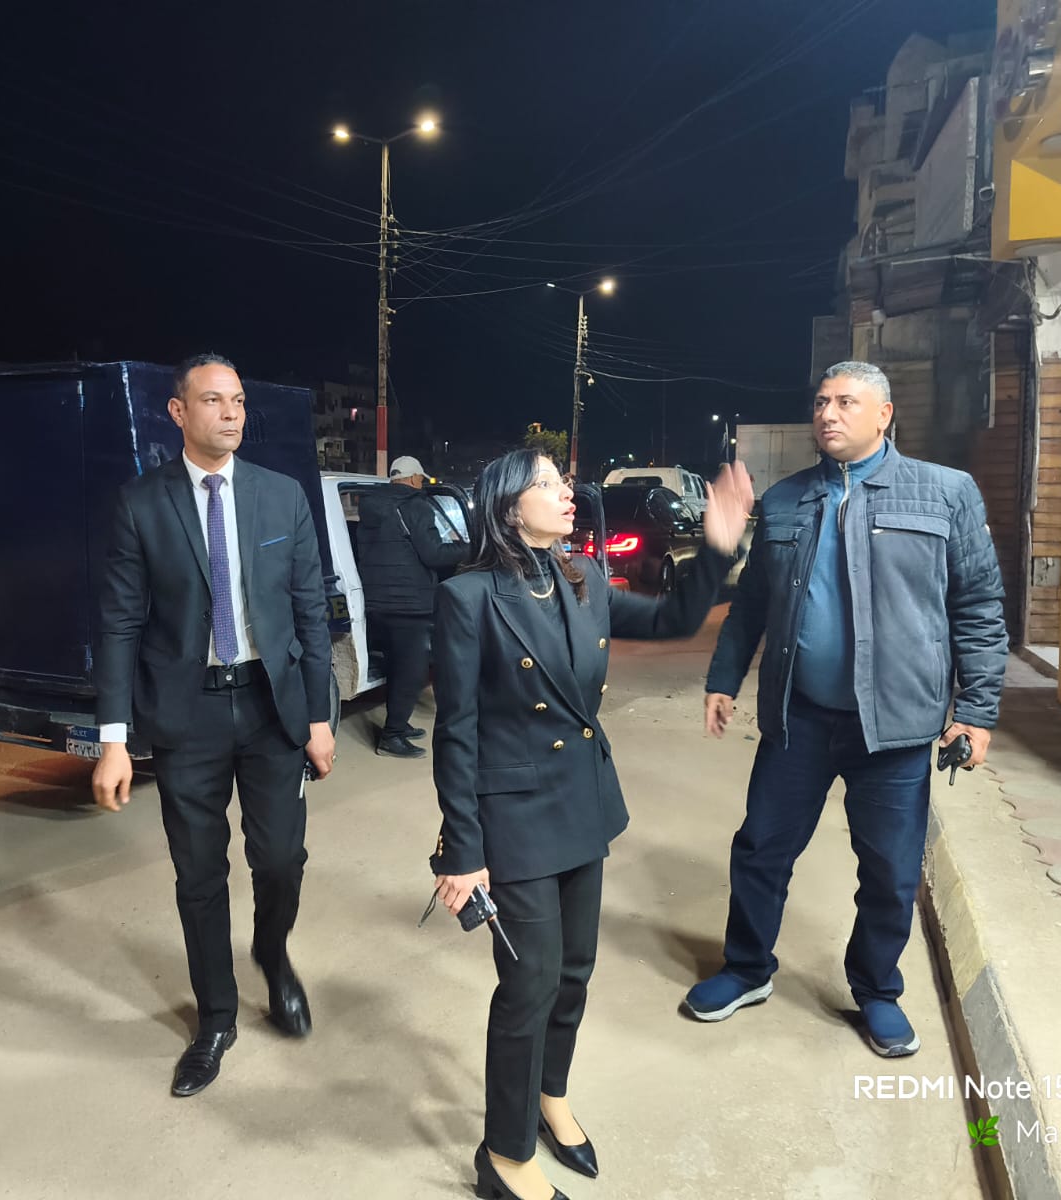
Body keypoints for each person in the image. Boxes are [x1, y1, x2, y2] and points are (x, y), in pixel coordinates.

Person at [429, 448, 752, 1200]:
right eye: (546, 483)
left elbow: (674, 619)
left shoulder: (582, 579)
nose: (566, 491)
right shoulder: (469, 598)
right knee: (530, 982)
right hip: (514, 817)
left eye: (563, 480)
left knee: (574, 971)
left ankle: (551, 1095)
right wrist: (463, 851)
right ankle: (504, 1155)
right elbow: (456, 732)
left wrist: (717, 547)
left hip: (581, 801)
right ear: (509, 506)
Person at [686, 360, 1007, 1060]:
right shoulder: (787, 499)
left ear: (885, 414)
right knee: (761, 849)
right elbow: (751, 605)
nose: (828, 413)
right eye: (821, 401)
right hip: (799, 717)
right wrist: (723, 678)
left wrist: (977, 711)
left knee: (890, 870)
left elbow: (978, 606)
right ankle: (747, 968)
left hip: (894, 727)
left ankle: (877, 990)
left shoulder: (944, 493)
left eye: (846, 402)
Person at [90, 353, 336, 1098]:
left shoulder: (281, 496)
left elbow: (310, 612)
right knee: (199, 875)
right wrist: (112, 739)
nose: (231, 413)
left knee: (281, 859)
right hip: (186, 713)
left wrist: (319, 716)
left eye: (238, 401)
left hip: (270, 709)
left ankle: (273, 954)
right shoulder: (141, 503)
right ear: (178, 412)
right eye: (213, 401)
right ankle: (216, 1019)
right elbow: (119, 624)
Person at [357, 453, 468, 758]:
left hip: (377, 602)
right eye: (420, 478)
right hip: (409, 605)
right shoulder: (415, 506)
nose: (421, 483)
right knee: (411, 672)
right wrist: (467, 549)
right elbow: (433, 555)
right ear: (414, 478)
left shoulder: (370, 506)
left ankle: (399, 723)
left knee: (396, 666)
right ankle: (391, 736)